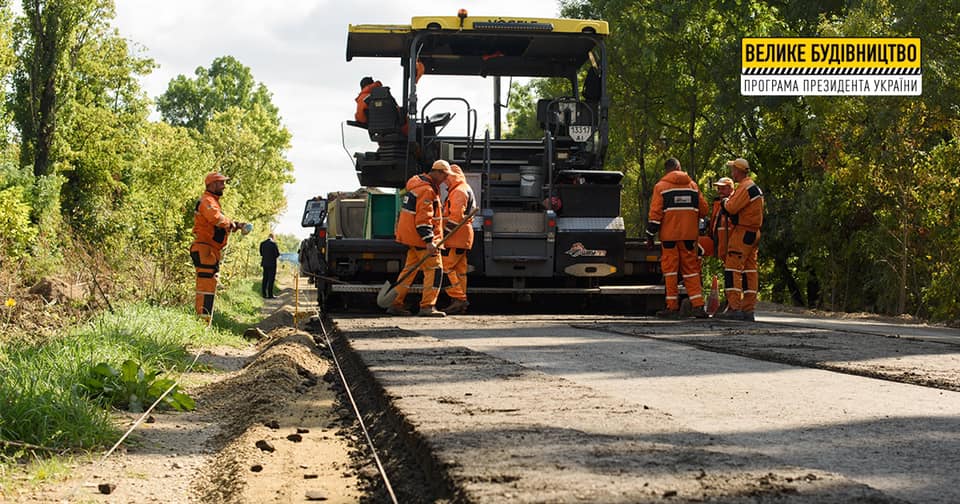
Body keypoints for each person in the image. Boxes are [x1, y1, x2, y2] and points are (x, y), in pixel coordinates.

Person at [387, 159, 453, 317]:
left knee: (409, 272)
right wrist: (429, 241)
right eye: (444, 176)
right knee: (435, 270)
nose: (446, 179)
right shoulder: (427, 190)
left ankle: (395, 303)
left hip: (412, 238)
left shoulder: (417, 185)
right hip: (422, 240)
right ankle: (427, 306)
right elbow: (424, 219)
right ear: (437, 172)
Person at [645, 158, 709, 319]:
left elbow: (655, 215)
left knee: (670, 272)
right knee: (691, 272)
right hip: (689, 237)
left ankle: (672, 307)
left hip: (669, 238)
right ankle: (698, 306)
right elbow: (704, 210)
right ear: (679, 168)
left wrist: (650, 235)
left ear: (667, 171)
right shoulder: (693, 186)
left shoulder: (661, 187)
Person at [190, 172, 247, 325]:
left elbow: (216, 222)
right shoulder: (207, 200)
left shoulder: (212, 201)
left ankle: (204, 324)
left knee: (209, 288)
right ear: (212, 184)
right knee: (205, 289)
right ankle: (201, 326)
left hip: (209, 251)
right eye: (221, 183)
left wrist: (234, 225)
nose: (224, 186)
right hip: (204, 250)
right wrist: (229, 223)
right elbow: (215, 218)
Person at [715, 158, 764, 322]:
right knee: (750, 270)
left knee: (732, 268)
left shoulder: (745, 187)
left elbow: (731, 207)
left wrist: (724, 202)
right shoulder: (753, 187)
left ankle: (735, 307)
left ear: (738, 171)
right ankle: (748, 309)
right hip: (754, 233)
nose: (731, 173)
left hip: (743, 232)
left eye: (733, 170)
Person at [440, 164, 476, 315]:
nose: (444, 182)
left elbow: (455, 217)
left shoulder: (458, 191)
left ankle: (459, 299)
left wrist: (444, 235)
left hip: (455, 237)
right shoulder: (463, 188)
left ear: (451, 176)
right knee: (460, 272)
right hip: (463, 237)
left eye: (446, 178)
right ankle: (459, 301)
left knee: (444, 268)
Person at [354, 60, 425, 125]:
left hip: (377, 129)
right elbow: (395, 109)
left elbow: (361, 118)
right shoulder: (384, 95)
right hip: (397, 128)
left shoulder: (362, 99)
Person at [259, 233, 280, 299]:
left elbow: (261, 253)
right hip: (272, 264)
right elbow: (277, 254)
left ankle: (264, 294)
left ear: (268, 237)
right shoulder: (274, 244)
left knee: (265, 278)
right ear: (273, 237)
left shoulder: (262, 243)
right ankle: (270, 295)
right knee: (271, 279)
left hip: (265, 263)